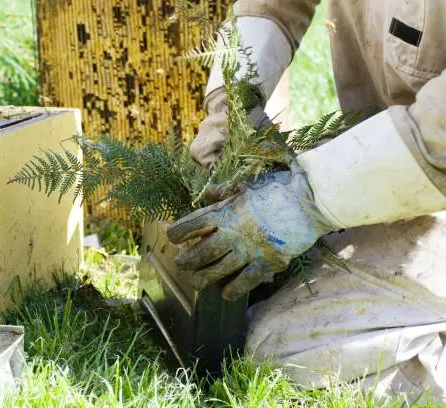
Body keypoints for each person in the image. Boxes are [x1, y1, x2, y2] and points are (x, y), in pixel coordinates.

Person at [167, 0, 446, 402]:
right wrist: (234, 104)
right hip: (404, 181)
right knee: (269, 311)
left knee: (288, 349)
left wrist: (303, 201)